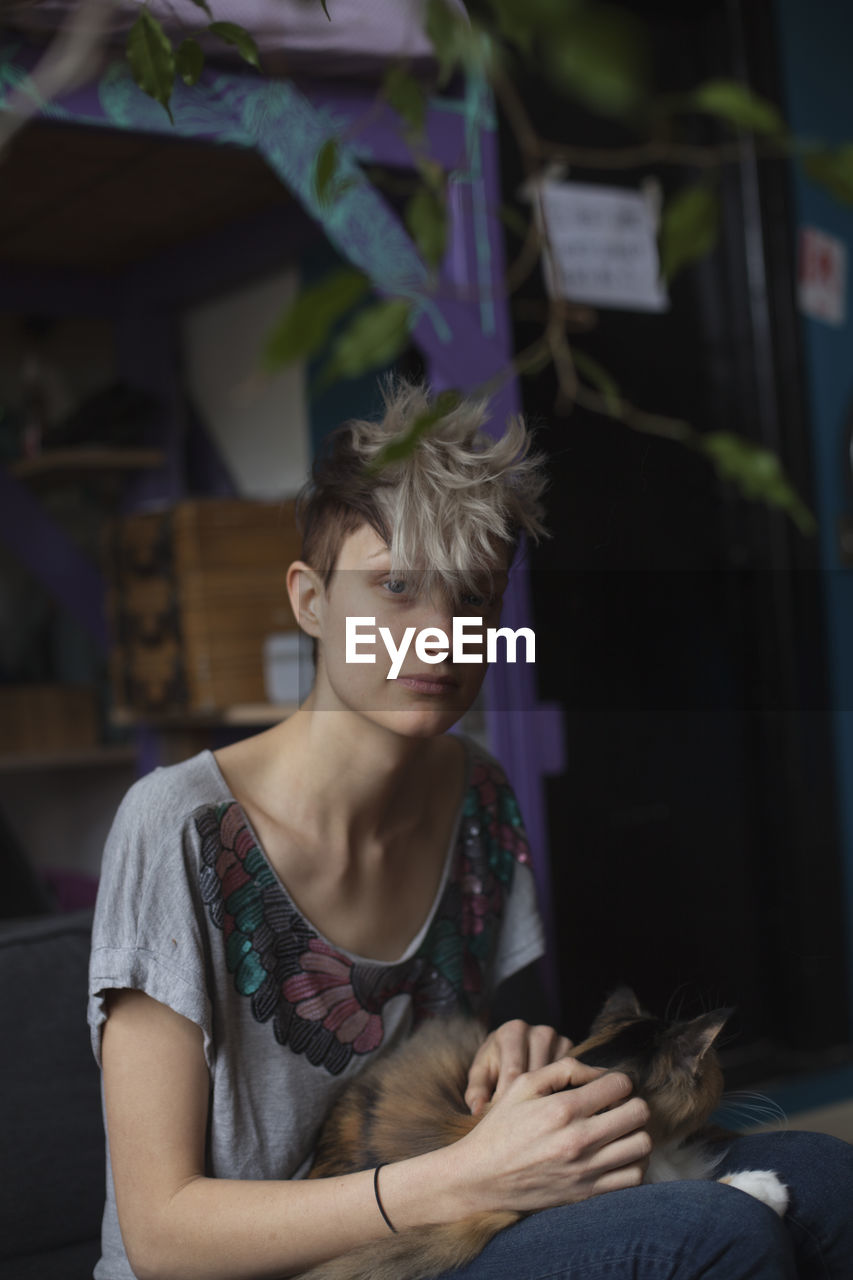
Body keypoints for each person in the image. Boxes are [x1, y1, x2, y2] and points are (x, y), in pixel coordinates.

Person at [89, 380, 853, 1280]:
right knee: (722, 1232)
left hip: (442, 1229)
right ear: (308, 600)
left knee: (826, 1177)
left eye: (471, 597)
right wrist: (456, 1176)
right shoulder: (177, 826)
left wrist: (517, 1053)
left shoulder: (478, 793)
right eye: (396, 586)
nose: (438, 635)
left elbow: (495, 1063)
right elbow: (161, 1233)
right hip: (286, 1264)